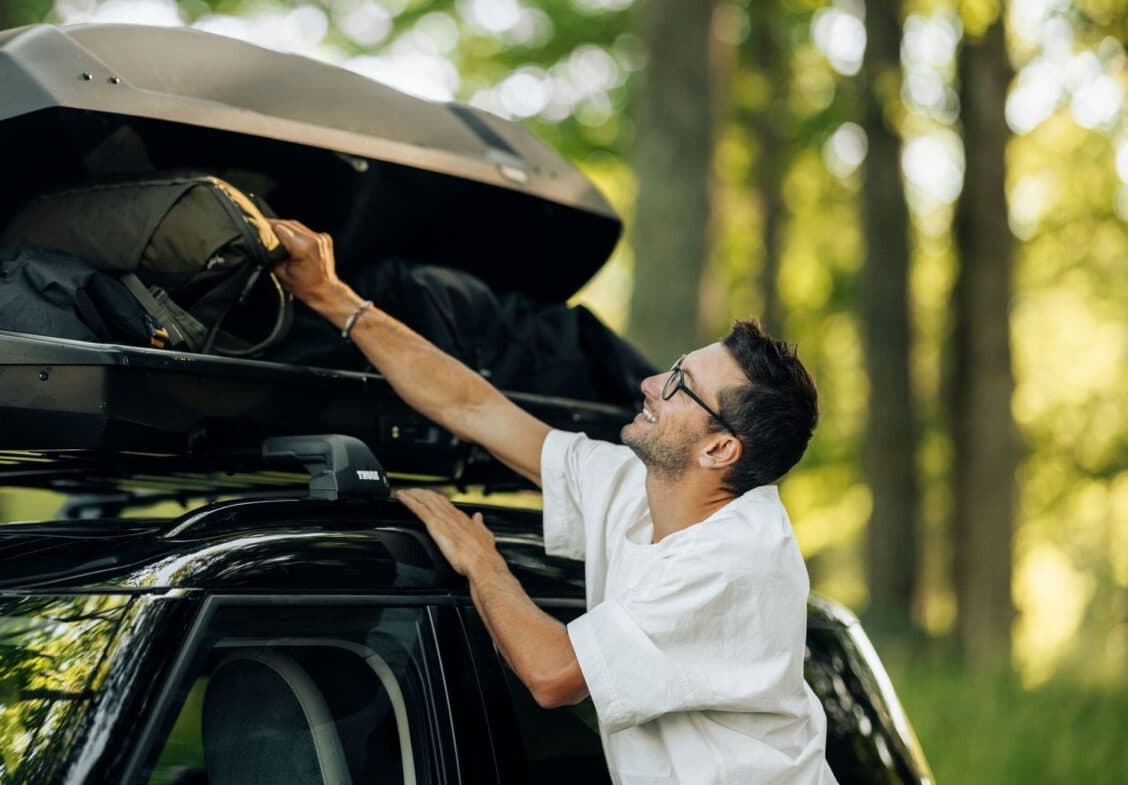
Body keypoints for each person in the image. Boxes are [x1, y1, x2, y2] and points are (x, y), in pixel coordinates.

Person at [269, 219, 838, 785]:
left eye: (678, 386)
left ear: (719, 448)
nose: (647, 384)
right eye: (671, 370)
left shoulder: (736, 560)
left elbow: (552, 674)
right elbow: (477, 409)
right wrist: (330, 294)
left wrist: (482, 561)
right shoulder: (640, 485)